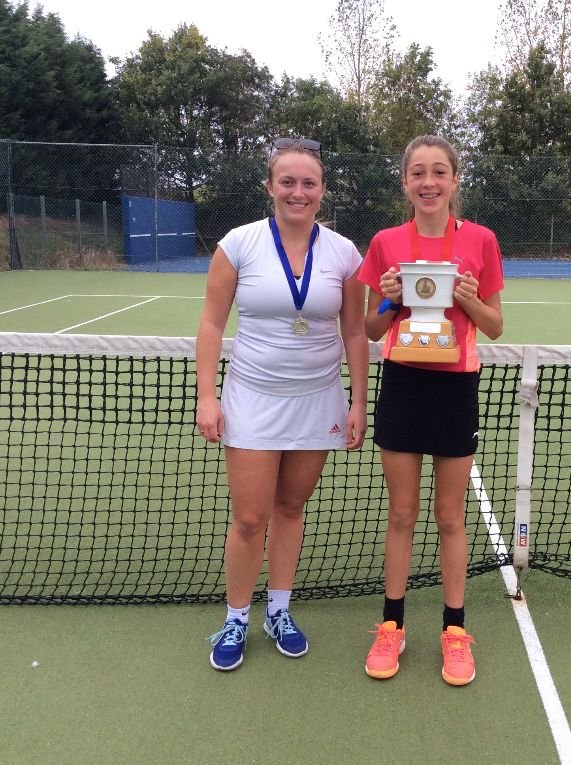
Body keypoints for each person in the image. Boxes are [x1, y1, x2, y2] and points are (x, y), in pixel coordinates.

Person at [196, 137, 369, 671]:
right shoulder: (239, 244)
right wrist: (207, 395)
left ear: (321, 191)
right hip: (251, 398)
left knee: (291, 509)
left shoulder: (343, 253)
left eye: (309, 183)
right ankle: (235, 618)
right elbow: (211, 322)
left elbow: (357, 333)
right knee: (250, 518)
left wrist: (359, 402)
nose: (298, 192)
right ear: (271, 186)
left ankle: (280, 610)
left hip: (319, 400)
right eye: (288, 182)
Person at [358, 135, 504, 687]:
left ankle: (454, 632)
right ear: (405, 182)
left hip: (455, 388)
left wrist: (465, 296)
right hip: (402, 384)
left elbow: (493, 325)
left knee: (449, 517)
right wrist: (391, 299)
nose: (428, 182)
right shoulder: (385, 242)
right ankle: (392, 625)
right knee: (401, 514)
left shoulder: (482, 241)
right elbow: (372, 329)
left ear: (454, 180)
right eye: (418, 172)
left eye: (439, 172)